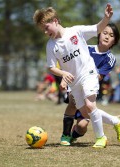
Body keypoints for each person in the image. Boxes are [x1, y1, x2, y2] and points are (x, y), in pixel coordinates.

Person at [33, 4, 114, 148]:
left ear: (55, 21)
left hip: (88, 74)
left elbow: (97, 28)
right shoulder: (51, 46)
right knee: (86, 112)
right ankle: (115, 121)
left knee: (90, 105)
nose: (45, 32)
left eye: (46, 28)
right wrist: (63, 73)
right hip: (74, 83)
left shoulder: (76, 31)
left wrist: (106, 18)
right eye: (43, 30)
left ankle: (101, 138)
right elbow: (51, 67)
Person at [60, 23, 120, 146]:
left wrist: (84, 78)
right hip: (75, 82)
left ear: (114, 41)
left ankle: (74, 134)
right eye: (104, 33)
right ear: (99, 34)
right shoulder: (86, 49)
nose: (107, 37)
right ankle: (66, 135)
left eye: (111, 35)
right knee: (72, 103)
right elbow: (72, 63)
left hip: (89, 86)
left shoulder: (110, 58)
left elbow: (97, 77)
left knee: (82, 125)